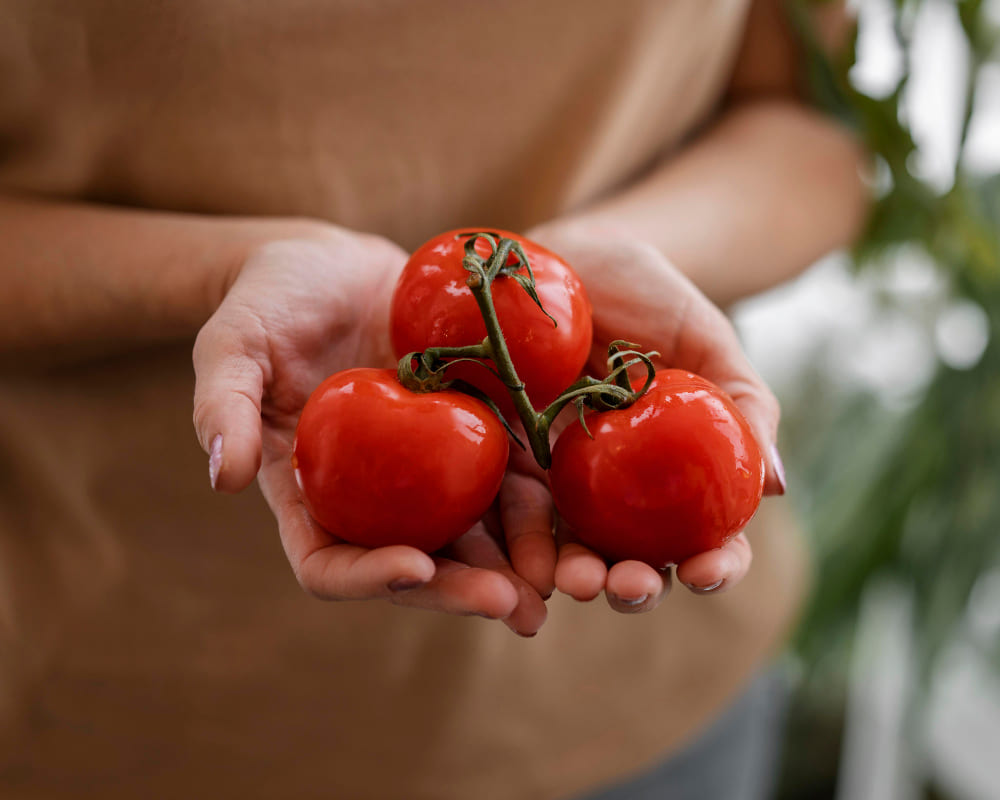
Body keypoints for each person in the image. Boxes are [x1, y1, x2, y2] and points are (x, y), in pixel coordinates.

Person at [0, 1, 867, 797]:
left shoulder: (526, 363)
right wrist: (221, 271)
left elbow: (813, 132)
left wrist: (606, 261)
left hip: (644, 716)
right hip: (122, 714)